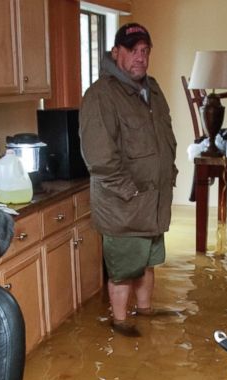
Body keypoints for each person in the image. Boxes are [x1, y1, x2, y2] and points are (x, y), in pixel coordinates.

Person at [79, 22, 177, 337]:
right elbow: (100, 157)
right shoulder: (101, 95)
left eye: (145, 51)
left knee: (147, 263)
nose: (140, 57)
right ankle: (120, 323)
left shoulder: (153, 89)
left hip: (152, 202)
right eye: (132, 51)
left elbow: (164, 139)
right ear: (116, 52)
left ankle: (145, 313)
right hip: (124, 206)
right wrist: (130, 191)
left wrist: (167, 177)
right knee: (122, 272)